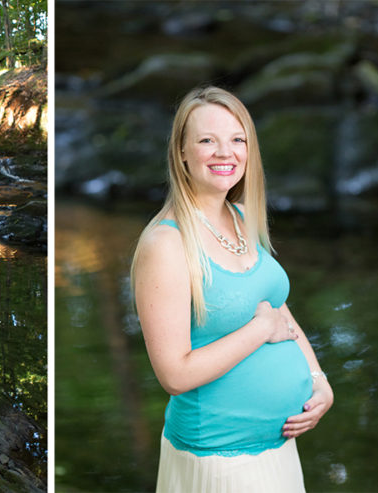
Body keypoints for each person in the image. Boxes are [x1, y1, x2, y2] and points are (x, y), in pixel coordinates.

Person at [131, 86, 333, 492]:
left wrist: (318, 379)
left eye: (237, 140)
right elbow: (174, 374)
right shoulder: (165, 244)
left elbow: (277, 308)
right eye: (208, 140)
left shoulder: (241, 216)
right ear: (182, 152)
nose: (226, 153)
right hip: (220, 462)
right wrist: (259, 331)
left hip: (277, 450)